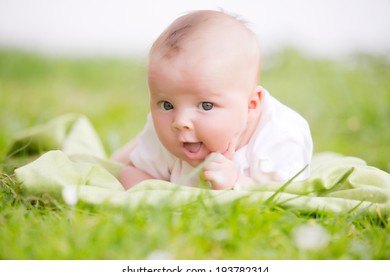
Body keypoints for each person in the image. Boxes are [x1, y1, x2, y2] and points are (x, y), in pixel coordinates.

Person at [111, 10, 313, 190]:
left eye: (206, 106)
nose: (180, 121)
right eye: (167, 105)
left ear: (251, 106)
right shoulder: (164, 133)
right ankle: (132, 146)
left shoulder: (282, 138)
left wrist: (236, 182)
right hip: (151, 143)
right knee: (122, 159)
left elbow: (287, 199)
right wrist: (162, 195)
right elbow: (129, 173)